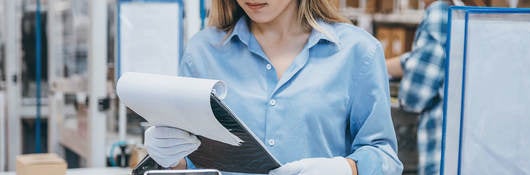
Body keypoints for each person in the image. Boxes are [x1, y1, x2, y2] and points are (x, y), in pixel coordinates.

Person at [144, 0, 403, 174]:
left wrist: (346, 168)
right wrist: (173, 159)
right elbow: (195, 160)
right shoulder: (203, 51)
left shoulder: (357, 52)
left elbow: (386, 158)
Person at [385, 0, 452, 175]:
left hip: (441, 153)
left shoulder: (441, 12)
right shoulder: (471, 11)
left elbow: (415, 94)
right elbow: (424, 59)